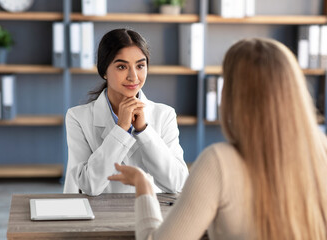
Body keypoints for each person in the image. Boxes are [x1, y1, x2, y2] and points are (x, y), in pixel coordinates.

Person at [108, 38, 327, 240]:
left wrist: (144, 187)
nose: (133, 75)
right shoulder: (322, 150)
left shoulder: (219, 162)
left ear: (232, 95)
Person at [63, 28, 189, 196]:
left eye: (140, 66)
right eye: (122, 66)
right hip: (98, 217)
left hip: (151, 214)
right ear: (104, 71)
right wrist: (121, 130)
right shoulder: (78, 117)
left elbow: (177, 183)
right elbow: (88, 186)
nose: (133, 77)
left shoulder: (165, 115)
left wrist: (144, 130)